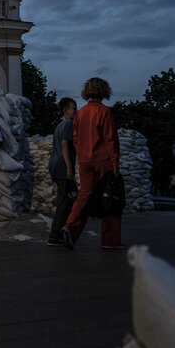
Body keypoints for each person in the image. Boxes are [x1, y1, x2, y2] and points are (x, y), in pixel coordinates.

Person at [61, 77, 125, 250]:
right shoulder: (104, 111)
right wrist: (115, 164)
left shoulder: (80, 113)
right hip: (103, 161)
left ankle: (70, 227)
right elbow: (110, 139)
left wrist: (82, 158)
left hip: (85, 162)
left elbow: (75, 139)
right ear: (104, 91)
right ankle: (110, 241)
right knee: (111, 197)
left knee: (84, 197)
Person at [46, 97, 78, 246]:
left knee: (67, 198)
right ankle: (55, 234)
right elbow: (65, 145)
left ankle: (62, 230)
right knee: (65, 201)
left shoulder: (59, 125)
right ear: (65, 110)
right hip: (62, 165)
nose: (76, 111)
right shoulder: (69, 124)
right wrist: (69, 166)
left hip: (55, 164)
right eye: (74, 108)